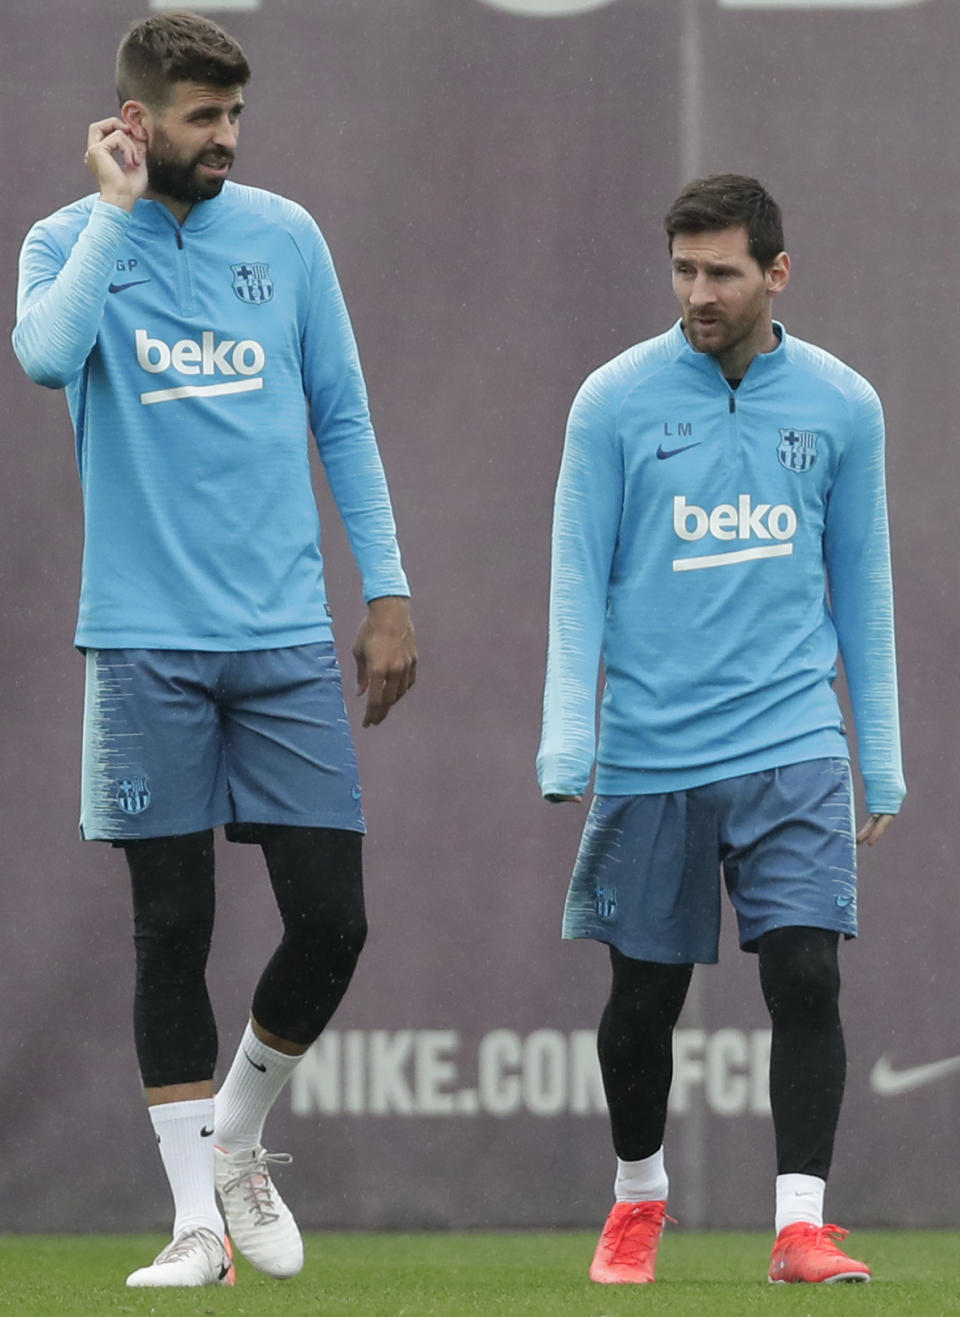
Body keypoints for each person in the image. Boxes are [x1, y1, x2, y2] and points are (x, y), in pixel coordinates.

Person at [13, 10, 416, 1290]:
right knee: (169, 928)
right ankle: (196, 1224)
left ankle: (237, 1136)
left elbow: (342, 418)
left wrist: (389, 592)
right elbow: (41, 358)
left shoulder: (286, 239)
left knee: (334, 921)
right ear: (136, 125)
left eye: (235, 115)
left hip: (286, 639)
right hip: (144, 645)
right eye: (202, 118)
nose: (227, 139)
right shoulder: (69, 243)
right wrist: (118, 216)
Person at [537, 174, 904, 1286]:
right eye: (684, 270)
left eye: (722, 272)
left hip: (793, 741)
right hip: (653, 751)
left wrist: (876, 755)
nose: (699, 291)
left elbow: (862, 587)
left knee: (805, 974)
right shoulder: (612, 401)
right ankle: (639, 1196)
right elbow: (576, 579)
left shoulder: (844, 405)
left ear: (776, 273)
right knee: (643, 1004)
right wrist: (568, 737)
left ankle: (801, 1226)